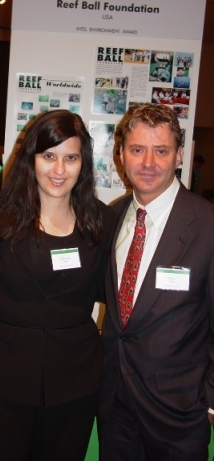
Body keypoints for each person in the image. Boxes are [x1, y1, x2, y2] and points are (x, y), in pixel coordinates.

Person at [0, 109, 116, 461]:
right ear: (31, 158)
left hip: (76, 379)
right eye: (48, 156)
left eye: (70, 158)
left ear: (82, 163)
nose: (59, 169)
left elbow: (108, 292)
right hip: (3, 378)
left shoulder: (102, 221)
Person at [99, 103, 214, 460]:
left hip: (179, 414)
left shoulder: (208, 225)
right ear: (121, 156)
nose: (148, 163)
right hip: (115, 407)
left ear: (180, 155)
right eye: (137, 150)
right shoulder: (112, 218)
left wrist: (211, 402)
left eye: (161, 151)